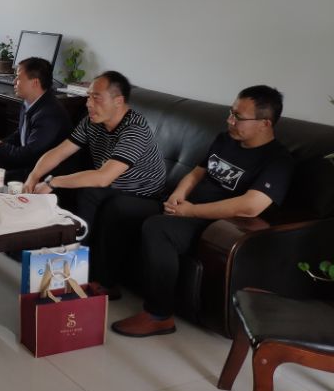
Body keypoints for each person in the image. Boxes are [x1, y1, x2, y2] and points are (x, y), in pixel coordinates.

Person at [112, 85, 294, 337]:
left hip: (215, 224)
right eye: (231, 112)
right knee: (120, 206)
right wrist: (178, 195)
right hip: (188, 208)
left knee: (157, 227)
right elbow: (197, 173)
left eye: (238, 117)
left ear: (265, 123)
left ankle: (159, 315)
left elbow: (251, 206)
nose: (230, 120)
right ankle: (104, 282)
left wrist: (192, 211)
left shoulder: (278, 161)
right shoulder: (226, 139)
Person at [24, 71, 167, 296]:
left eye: (96, 97)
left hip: (145, 197)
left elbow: (103, 177)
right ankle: (48, 253)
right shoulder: (92, 122)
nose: (88, 103)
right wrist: (34, 177)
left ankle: (99, 279)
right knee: (71, 187)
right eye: (88, 96)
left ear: (118, 101)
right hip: (114, 187)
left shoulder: (135, 129)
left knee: (94, 195)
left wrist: (53, 182)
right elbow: (60, 152)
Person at [0, 57, 72, 182]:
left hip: (42, 172)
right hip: (27, 161)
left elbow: (29, 154)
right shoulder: (29, 101)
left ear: (35, 83)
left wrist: (0, 147)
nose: (14, 81)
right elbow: (20, 134)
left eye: (18, 77)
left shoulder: (50, 113)